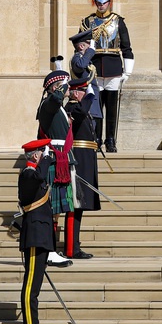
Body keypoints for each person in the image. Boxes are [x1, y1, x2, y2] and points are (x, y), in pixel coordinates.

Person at [75, 0, 133, 152]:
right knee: (96, 108)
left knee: (112, 108)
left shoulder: (118, 21)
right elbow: (79, 45)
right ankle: (96, 139)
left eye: (104, 2)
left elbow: (127, 47)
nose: (101, 5)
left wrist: (128, 71)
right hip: (94, 69)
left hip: (114, 68)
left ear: (109, 2)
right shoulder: (87, 22)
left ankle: (110, 140)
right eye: (98, 2)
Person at [16, 139, 57, 324]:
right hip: (34, 236)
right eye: (42, 152)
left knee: (35, 287)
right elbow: (39, 174)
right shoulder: (28, 174)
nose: (44, 155)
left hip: (40, 236)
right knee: (31, 287)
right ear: (35, 155)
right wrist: (47, 158)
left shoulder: (35, 174)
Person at [36, 68, 75, 269]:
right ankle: (49, 251)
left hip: (61, 159)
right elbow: (54, 100)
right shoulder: (48, 104)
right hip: (53, 160)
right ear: (56, 87)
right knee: (51, 209)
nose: (69, 89)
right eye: (65, 85)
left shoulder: (58, 107)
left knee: (57, 210)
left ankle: (51, 250)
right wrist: (62, 87)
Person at [62, 70, 99, 260]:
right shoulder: (72, 108)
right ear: (77, 93)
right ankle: (71, 248)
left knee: (80, 207)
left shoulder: (78, 107)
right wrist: (90, 96)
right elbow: (82, 111)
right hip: (78, 162)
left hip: (86, 161)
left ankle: (74, 245)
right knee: (74, 206)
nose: (88, 94)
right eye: (85, 91)